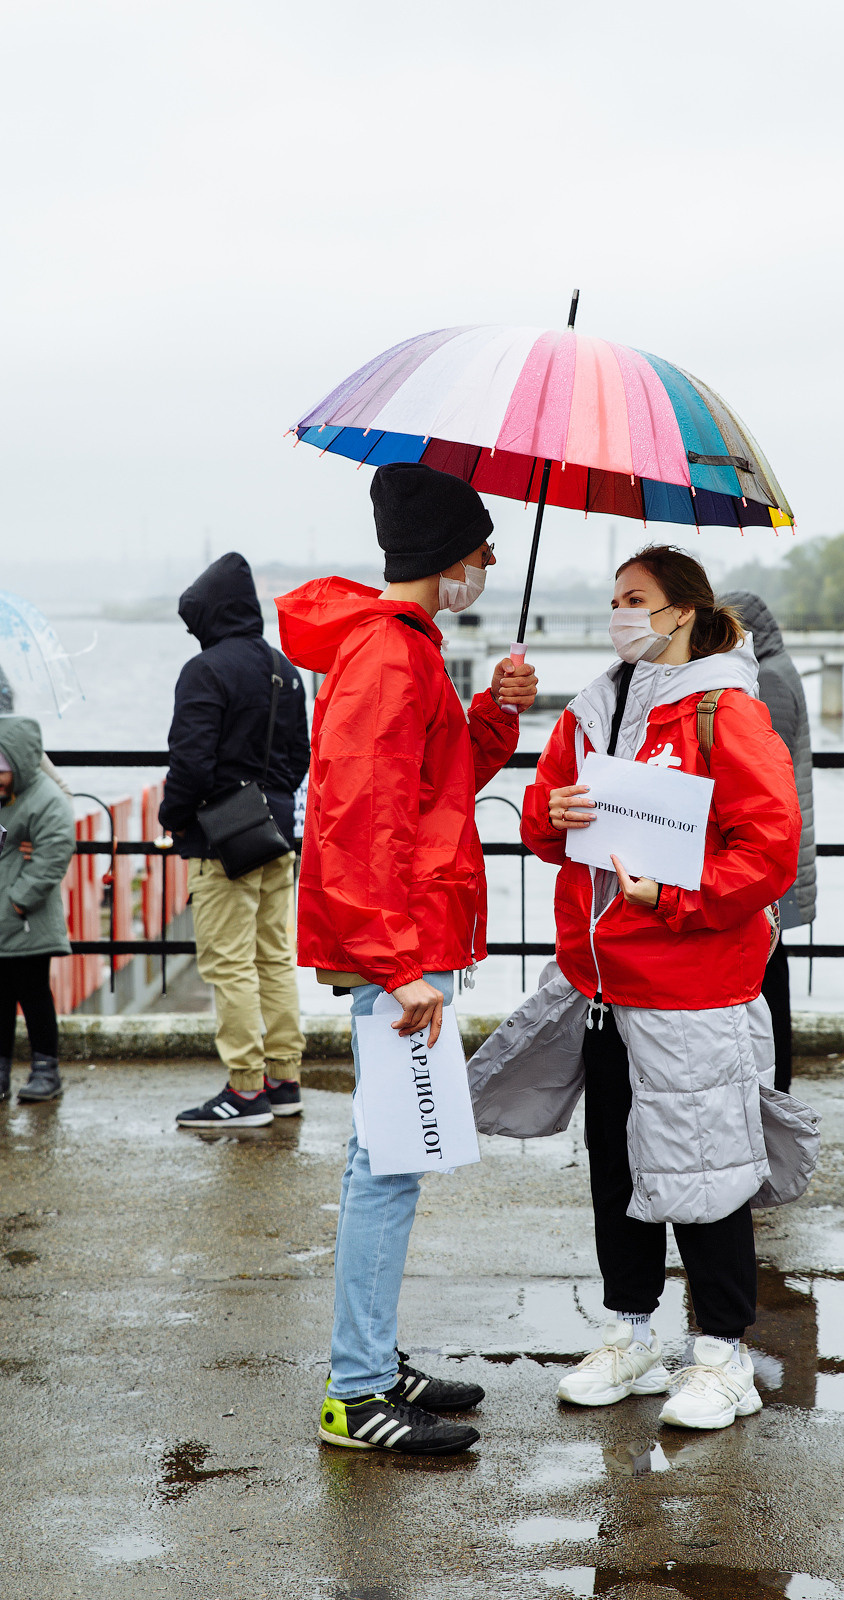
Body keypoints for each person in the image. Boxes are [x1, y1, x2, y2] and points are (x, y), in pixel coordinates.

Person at [471, 544, 808, 1432]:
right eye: (614, 597)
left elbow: (768, 850)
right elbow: (542, 822)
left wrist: (678, 899)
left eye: (637, 598)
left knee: (704, 1173)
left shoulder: (724, 712)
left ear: (685, 613)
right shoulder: (590, 711)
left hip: (693, 988)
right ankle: (630, 1334)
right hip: (601, 990)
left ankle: (723, 1356)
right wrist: (554, 814)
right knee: (618, 1170)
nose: (621, 612)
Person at [277, 462, 537, 1457]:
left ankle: (371, 1360)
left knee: (385, 1159)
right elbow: (350, 823)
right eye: (481, 548)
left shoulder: (405, 649)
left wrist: (497, 712)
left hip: (406, 951)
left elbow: (436, 788)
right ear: (445, 556)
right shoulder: (389, 656)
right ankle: (355, 1389)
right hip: (401, 960)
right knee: (388, 1166)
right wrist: (398, 966)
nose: (487, 563)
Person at [160, 552, 310, 1130]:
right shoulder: (284, 669)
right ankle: (283, 1079)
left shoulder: (205, 671)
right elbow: (298, 756)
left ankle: (245, 1091)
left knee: (229, 965)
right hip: (276, 836)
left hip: (222, 841)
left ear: (209, 614)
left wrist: (175, 817)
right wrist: (268, 800)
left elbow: (190, 764)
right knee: (273, 959)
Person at [720, 590, 815, 1092]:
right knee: (770, 978)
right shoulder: (775, 669)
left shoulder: (769, 680)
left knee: (769, 984)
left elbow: (760, 776)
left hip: (772, 866)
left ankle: (775, 1090)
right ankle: (773, 1086)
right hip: (780, 859)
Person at [0, 717, 75, 1103]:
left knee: (34, 995)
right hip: (6, 916)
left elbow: (56, 850)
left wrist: (18, 901)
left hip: (28, 921)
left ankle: (46, 1069)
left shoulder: (44, 799)